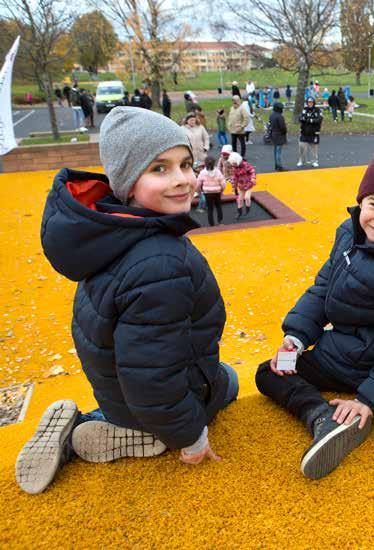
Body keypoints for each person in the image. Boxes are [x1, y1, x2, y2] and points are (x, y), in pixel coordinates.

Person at [15, 107, 237, 495]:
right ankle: (140, 434)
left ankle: (98, 419)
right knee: (229, 383)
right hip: (144, 400)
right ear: (128, 182)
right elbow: (153, 373)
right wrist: (191, 437)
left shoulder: (110, 230)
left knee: (210, 376)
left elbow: (141, 354)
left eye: (185, 164)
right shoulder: (161, 262)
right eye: (160, 169)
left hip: (115, 389)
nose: (182, 179)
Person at [255, 136, 374, 479]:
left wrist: (368, 401)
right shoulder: (349, 232)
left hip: (366, 365)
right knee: (274, 368)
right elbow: (322, 288)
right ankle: (322, 415)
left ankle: (321, 417)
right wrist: (296, 337)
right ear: (362, 200)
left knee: (268, 374)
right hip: (343, 345)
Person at [197, 155, 226, 226]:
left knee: (210, 209)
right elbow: (223, 183)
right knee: (218, 206)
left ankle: (211, 224)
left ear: (205, 163)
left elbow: (198, 184)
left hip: (207, 193)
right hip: (217, 192)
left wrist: (200, 192)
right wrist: (222, 190)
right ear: (214, 163)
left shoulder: (203, 173)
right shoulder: (218, 172)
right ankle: (220, 222)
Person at [226, 152, 256, 219]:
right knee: (239, 199)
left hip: (249, 184)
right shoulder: (235, 168)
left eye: (234, 163)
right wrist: (234, 186)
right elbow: (235, 177)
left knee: (247, 197)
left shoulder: (245, 165)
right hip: (241, 185)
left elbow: (252, 171)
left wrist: (253, 178)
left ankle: (248, 207)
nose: (233, 165)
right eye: (232, 164)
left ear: (238, 160)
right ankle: (239, 212)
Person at [298, 96, 323, 168]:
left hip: (314, 133)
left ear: (313, 103)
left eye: (311, 102)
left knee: (314, 149)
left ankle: (314, 161)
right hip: (304, 132)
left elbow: (319, 120)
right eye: (309, 102)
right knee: (302, 147)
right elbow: (301, 118)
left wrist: (310, 120)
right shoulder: (304, 109)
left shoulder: (317, 110)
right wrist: (306, 119)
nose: (310, 104)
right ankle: (301, 161)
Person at [269, 101, 287, 171]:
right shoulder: (280, 116)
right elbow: (282, 127)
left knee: (275, 150)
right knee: (278, 151)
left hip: (273, 134)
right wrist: (284, 132)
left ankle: (276, 165)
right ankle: (279, 166)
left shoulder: (272, 115)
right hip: (279, 135)